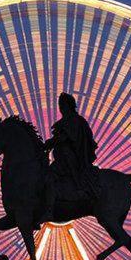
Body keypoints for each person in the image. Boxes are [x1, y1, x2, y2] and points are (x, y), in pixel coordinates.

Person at [41, 92, 99, 222]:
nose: (60, 108)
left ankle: (49, 211)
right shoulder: (68, 120)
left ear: (68, 105)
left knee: (48, 177)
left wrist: (51, 142)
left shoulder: (73, 120)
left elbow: (66, 137)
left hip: (68, 159)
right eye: (60, 105)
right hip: (63, 158)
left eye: (62, 105)